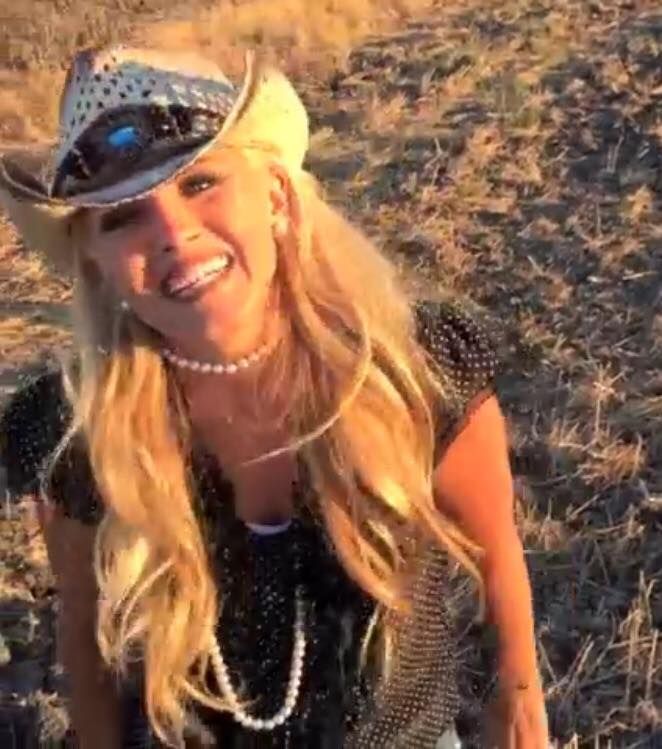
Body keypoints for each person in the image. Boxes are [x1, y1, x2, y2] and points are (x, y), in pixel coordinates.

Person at [0, 45, 548, 748]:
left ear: (277, 197)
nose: (173, 234)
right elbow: (83, 632)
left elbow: (495, 548)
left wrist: (520, 698)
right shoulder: (76, 428)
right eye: (123, 216)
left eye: (200, 182)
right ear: (96, 264)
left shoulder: (415, 366)